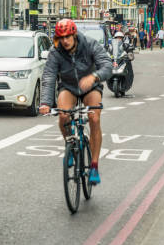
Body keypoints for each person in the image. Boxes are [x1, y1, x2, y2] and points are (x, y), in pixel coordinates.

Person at [40, 19, 112, 185]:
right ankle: (69, 145)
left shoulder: (89, 44)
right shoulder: (55, 51)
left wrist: (94, 76)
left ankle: (94, 165)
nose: (65, 41)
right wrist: (45, 103)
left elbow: (107, 65)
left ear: (74, 35)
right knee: (63, 116)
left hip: (91, 87)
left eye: (67, 37)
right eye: (61, 37)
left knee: (94, 118)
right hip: (69, 87)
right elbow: (49, 76)